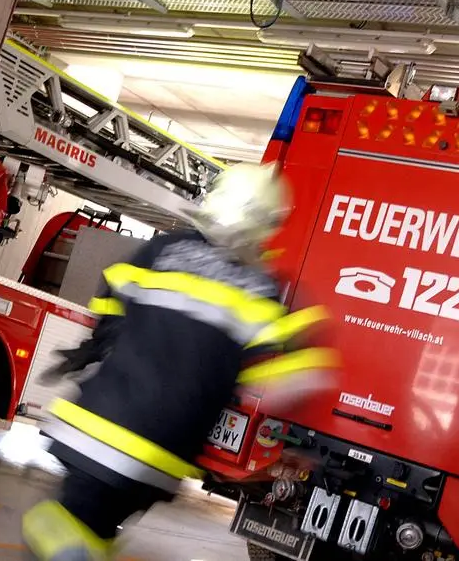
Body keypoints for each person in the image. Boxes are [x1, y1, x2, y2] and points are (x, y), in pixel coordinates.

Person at [23, 162, 340, 561]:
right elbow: (283, 386)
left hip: (98, 430)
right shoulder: (261, 289)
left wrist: (95, 345)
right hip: (163, 457)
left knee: (56, 527)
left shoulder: (163, 250)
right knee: (95, 533)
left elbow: (110, 298)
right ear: (266, 224)